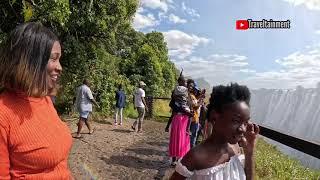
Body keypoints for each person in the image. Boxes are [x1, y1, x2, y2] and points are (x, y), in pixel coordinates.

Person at [0, 22, 73, 179]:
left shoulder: (45, 100)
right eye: (53, 59)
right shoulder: (3, 115)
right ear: (29, 61)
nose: (60, 67)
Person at [170, 83, 260, 180]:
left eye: (245, 122)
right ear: (215, 117)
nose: (242, 128)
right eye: (236, 121)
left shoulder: (236, 149)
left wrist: (249, 152)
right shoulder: (196, 156)